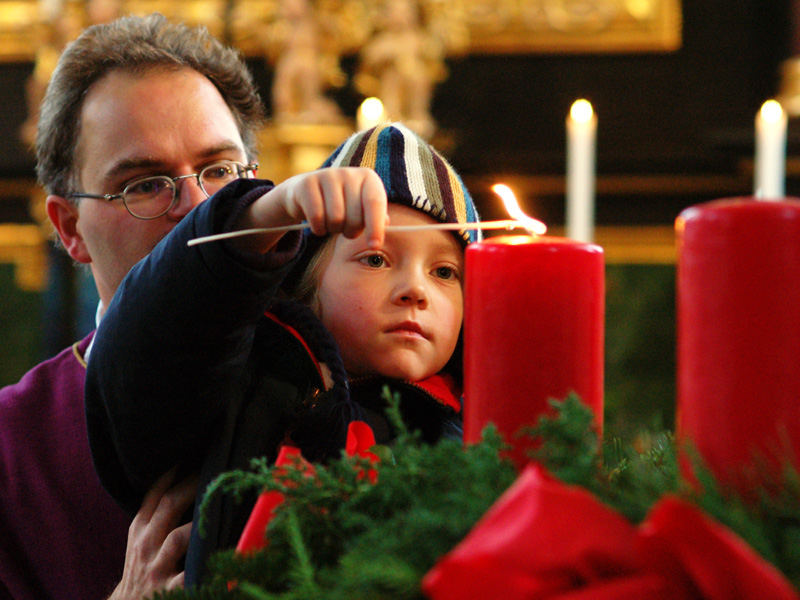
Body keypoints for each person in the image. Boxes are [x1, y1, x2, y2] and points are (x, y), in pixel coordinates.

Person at [84, 122, 481, 584]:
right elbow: (142, 359)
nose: (415, 289)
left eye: (445, 271)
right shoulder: (244, 380)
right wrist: (261, 219)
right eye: (375, 258)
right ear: (308, 282)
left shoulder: (475, 433)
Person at [0, 13, 266, 599]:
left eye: (219, 171)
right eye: (145, 183)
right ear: (70, 228)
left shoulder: (345, 373)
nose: (197, 207)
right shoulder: (11, 450)